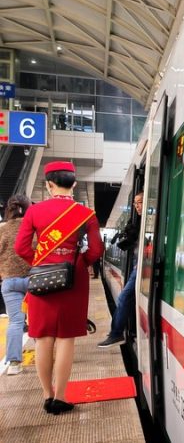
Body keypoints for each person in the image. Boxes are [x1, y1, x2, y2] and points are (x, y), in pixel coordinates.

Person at [14, 161, 103, 415]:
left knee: (42, 339)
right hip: (72, 281)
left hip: (42, 281)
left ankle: (46, 395)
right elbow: (96, 250)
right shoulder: (87, 214)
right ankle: (60, 397)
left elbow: (21, 248)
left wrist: (41, 262)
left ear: (49, 184)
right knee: (66, 339)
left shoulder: (34, 211)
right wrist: (76, 262)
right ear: (73, 184)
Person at [98, 191, 143, 348]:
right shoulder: (136, 222)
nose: (137, 206)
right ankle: (115, 332)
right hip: (137, 264)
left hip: (141, 266)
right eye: (135, 203)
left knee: (124, 297)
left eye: (140, 202)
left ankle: (116, 333)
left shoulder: (149, 223)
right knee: (124, 298)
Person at [0, 195, 32, 375]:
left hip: (9, 281)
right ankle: (45, 354)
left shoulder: (1, 229)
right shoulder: (31, 228)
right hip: (32, 279)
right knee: (36, 320)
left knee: (15, 322)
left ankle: (14, 364)